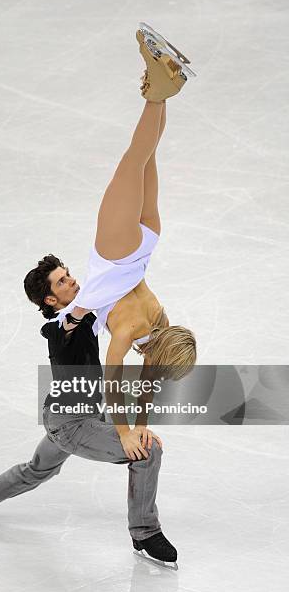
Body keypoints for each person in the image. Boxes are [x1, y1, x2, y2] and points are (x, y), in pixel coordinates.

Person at [0, 22, 196, 568]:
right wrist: (131, 432)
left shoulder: (128, 317)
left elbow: (135, 380)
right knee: (148, 454)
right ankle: (144, 533)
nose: (71, 280)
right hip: (81, 394)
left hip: (79, 399)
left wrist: (134, 420)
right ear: (51, 302)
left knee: (35, 470)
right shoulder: (90, 321)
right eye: (62, 283)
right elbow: (120, 375)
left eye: (69, 274)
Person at [50, 22, 197, 383]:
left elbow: (148, 381)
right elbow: (115, 387)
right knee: (133, 160)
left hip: (147, 242)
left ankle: (162, 84)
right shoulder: (127, 333)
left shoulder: (158, 318)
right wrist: (127, 431)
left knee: (145, 158)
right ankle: (159, 90)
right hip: (118, 252)